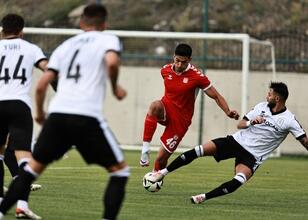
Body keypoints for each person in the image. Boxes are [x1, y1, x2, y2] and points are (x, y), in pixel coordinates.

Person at [0, 4, 130, 220]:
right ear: (104, 24)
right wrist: (115, 87)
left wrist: (41, 114)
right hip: (85, 115)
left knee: (31, 169)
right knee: (120, 171)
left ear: (81, 23)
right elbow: (112, 62)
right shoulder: (108, 39)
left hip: (57, 116)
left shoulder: (65, 46)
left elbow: (42, 85)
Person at [148, 82, 308, 204]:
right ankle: (162, 173)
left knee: (238, 180)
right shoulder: (261, 107)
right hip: (235, 141)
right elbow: (240, 124)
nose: (267, 96)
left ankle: (203, 197)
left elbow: (304, 140)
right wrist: (252, 122)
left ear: (277, 98)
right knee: (198, 150)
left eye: (270, 94)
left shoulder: (289, 120)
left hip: (253, 156)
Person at [140, 43, 239, 171]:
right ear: (173, 57)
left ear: (189, 60)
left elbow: (216, 96)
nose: (179, 65)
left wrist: (228, 111)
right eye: (177, 61)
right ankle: (145, 149)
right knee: (154, 105)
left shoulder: (197, 76)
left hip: (181, 120)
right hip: (166, 109)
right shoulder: (165, 70)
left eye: (183, 62)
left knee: (161, 159)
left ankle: (156, 177)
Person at [0, 13, 48, 219]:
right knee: (23, 157)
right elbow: (48, 69)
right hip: (20, 105)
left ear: (2, 29)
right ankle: (22, 205)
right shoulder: (31, 48)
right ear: (21, 31)